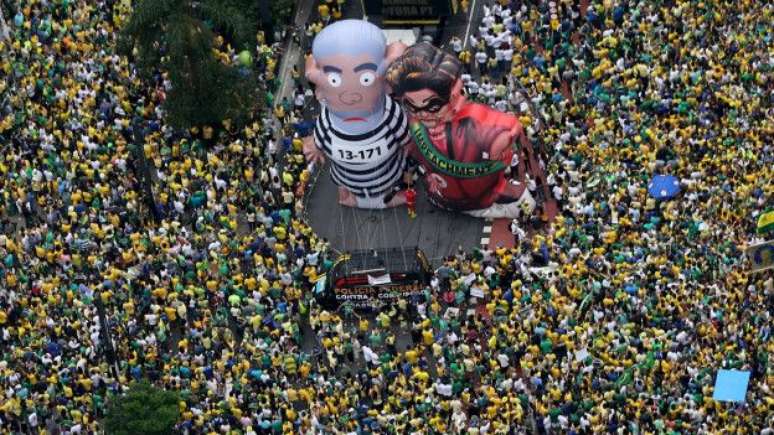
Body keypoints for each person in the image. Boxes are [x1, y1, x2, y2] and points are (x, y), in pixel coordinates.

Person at [386, 42, 538, 219]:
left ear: (454, 96)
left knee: (522, 202)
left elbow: (506, 126)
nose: (423, 113)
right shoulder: (416, 123)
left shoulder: (471, 124)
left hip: (479, 195)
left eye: (433, 106)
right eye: (410, 105)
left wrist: (501, 139)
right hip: (440, 192)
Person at [303, 19, 410, 209]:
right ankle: (363, 196)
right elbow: (407, 139)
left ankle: (362, 195)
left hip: (386, 173)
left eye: (366, 78)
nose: (350, 97)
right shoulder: (328, 121)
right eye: (334, 80)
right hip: (349, 176)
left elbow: (406, 139)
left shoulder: (388, 113)